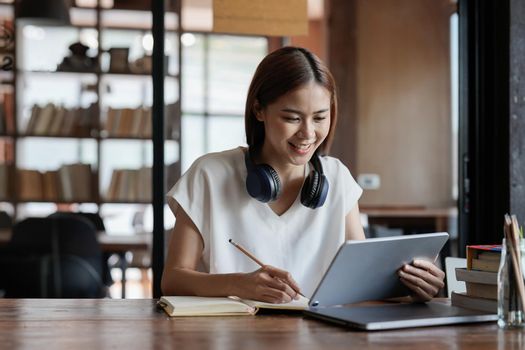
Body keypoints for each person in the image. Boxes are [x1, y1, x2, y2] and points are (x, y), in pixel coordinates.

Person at [161, 46, 445, 303]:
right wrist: (239, 284)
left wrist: (415, 286)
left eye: (320, 117)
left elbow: (363, 281)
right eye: (292, 118)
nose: (308, 134)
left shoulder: (337, 177)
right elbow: (173, 280)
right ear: (259, 109)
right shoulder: (209, 174)